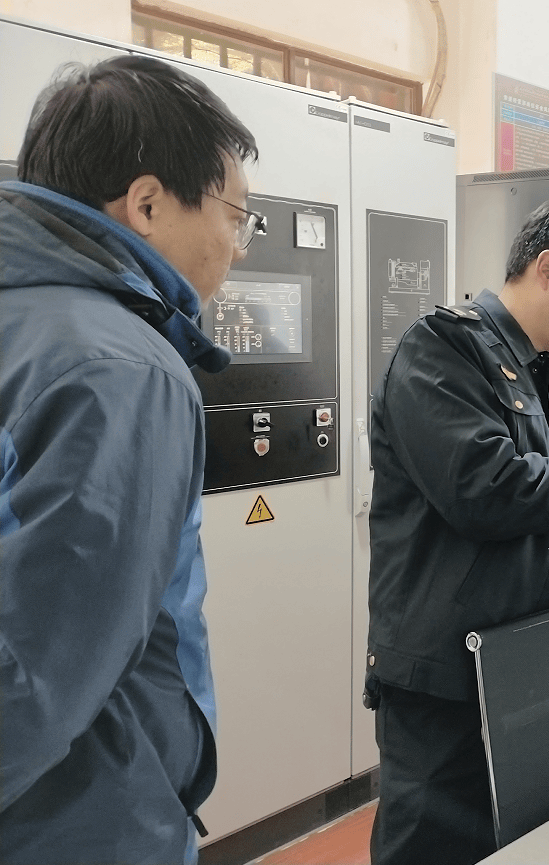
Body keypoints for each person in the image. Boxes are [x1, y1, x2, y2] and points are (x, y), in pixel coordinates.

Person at [0, 56, 258, 863]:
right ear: (146, 204)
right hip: (80, 815)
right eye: (235, 217)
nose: (238, 248)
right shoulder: (121, 369)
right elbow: (43, 667)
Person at [367, 200, 549, 865]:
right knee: (434, 848)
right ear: (546, 269)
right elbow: (484, 489)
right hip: (448, 681)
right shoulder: (441, 348)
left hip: (532, 670)